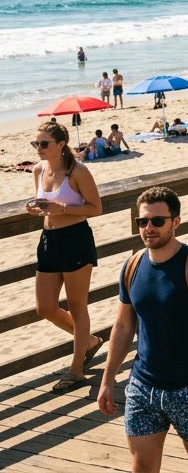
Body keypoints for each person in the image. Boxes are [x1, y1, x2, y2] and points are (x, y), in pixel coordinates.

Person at [97, 187, 188, 470]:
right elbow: (122, 327)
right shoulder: (132, 267)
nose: (149, 228)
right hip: (143, 387)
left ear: (175, 222)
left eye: (158, 221)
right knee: (142, 467)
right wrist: (108, 379)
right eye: (142, 222)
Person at [27, 120, 104, 391]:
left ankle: (76, 369)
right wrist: (38, 209)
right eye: (36, 143)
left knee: (76, 306)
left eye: (44, 143)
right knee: (44, 307)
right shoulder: (38, 170)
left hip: (75, 239)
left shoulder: (77, 171)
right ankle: (90, 342)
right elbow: (46, 205)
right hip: (49, 240)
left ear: (61, 144)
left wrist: (62, 209)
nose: (39, 148)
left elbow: (95, 208)